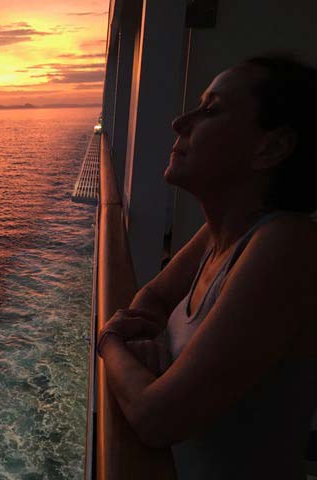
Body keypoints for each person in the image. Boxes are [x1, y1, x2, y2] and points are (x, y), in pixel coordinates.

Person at [96, 54, 317, 479]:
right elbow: (157, 296)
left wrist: (110, 341)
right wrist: (142, 332)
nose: (181, 122)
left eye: (211, 110)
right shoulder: (222, 233)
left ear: (270, 147)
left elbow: (156, 417)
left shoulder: (286, 245)